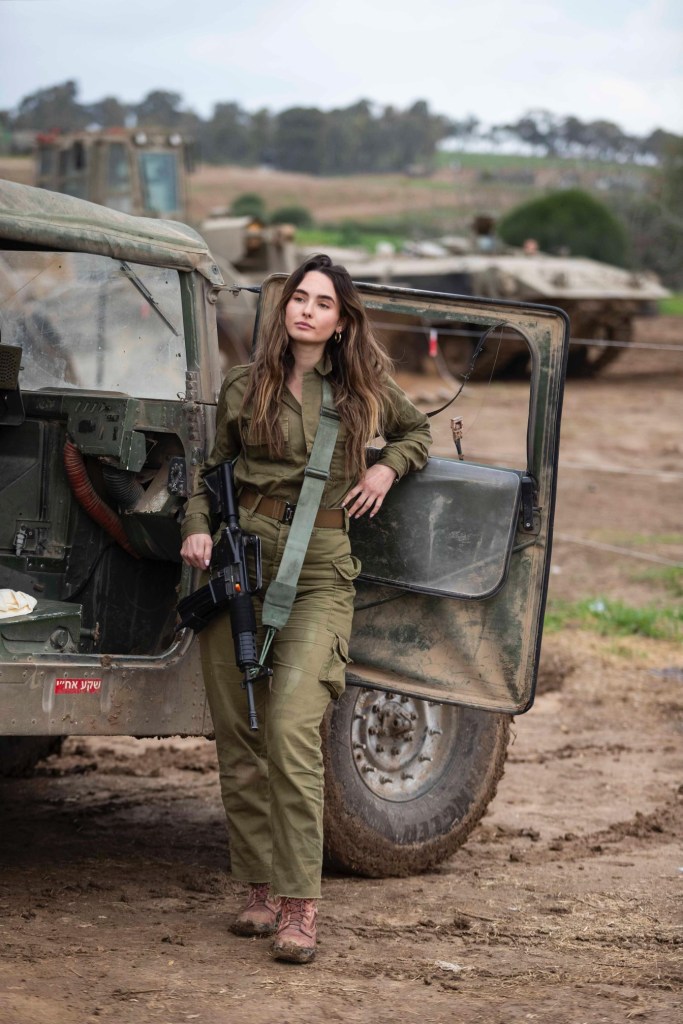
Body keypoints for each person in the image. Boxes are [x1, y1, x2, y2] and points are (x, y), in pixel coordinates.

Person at [180, 254, 431, 964]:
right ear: (283, 308)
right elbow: (208, 474)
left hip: (319, 572)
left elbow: (418, 434)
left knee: (289, 728)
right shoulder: (244, 385)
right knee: (240, 739)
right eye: (299, 298)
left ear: (341, 318)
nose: (308, 311)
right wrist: (196, 525)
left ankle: (299, 903)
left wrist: (385, 465)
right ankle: (257, 889)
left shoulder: (362, 387)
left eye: (323, 303)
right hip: (239, 568)